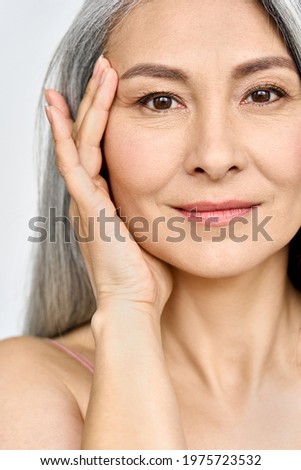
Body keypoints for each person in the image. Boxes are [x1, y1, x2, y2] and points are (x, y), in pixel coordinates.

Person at [1, 0, 301, 450]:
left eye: (263, 94)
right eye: (160, 101)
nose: (214, 158)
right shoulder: (21, 393)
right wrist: (127, 309)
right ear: (92, 136)